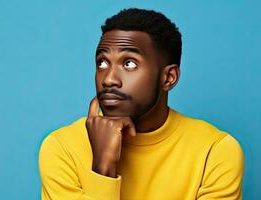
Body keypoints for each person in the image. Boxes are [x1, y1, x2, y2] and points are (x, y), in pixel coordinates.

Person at [38, 8, 244, 200]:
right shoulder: (61, 148)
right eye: (102, 62)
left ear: (168, 78)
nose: (108, 79)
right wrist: (103, 167)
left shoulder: (215, 152)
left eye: (129, 63)